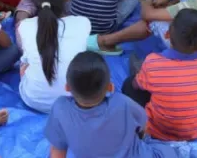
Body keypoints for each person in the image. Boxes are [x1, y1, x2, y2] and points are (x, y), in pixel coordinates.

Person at [44, 51, 181, 158]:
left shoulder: (59, 108)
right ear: (110, 87)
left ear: (67, 88)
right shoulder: (122, 102)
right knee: (171, 151)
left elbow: (57, 150)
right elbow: (143, 125)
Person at [121, 9, 197, 142]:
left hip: (160, 130)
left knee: (129, 84)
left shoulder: (153, 62)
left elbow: (136, 86)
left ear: (168, 33)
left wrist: (141, 77)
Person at [18, 0, 91, 113]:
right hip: (74, 99)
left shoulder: (25, 25)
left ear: (33, 1)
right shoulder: (83, 23)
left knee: (25, 63)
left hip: (33, 99)